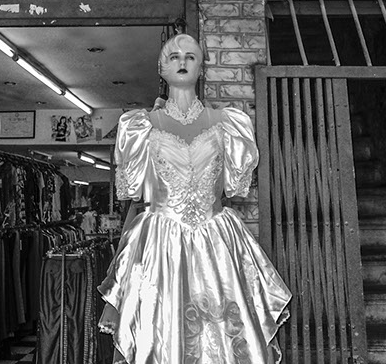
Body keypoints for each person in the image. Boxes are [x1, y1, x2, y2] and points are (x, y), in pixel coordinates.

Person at [98, 34, 291, 364]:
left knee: (226, 336)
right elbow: (135, 191)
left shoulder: (228, 124)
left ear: (201, 68)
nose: (182, 61)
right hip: (159, 243)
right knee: (160, 333)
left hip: (216, 239)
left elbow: (234, 186)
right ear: (161, 68)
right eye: (173, 56)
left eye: (190, 56)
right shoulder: (140, 126)